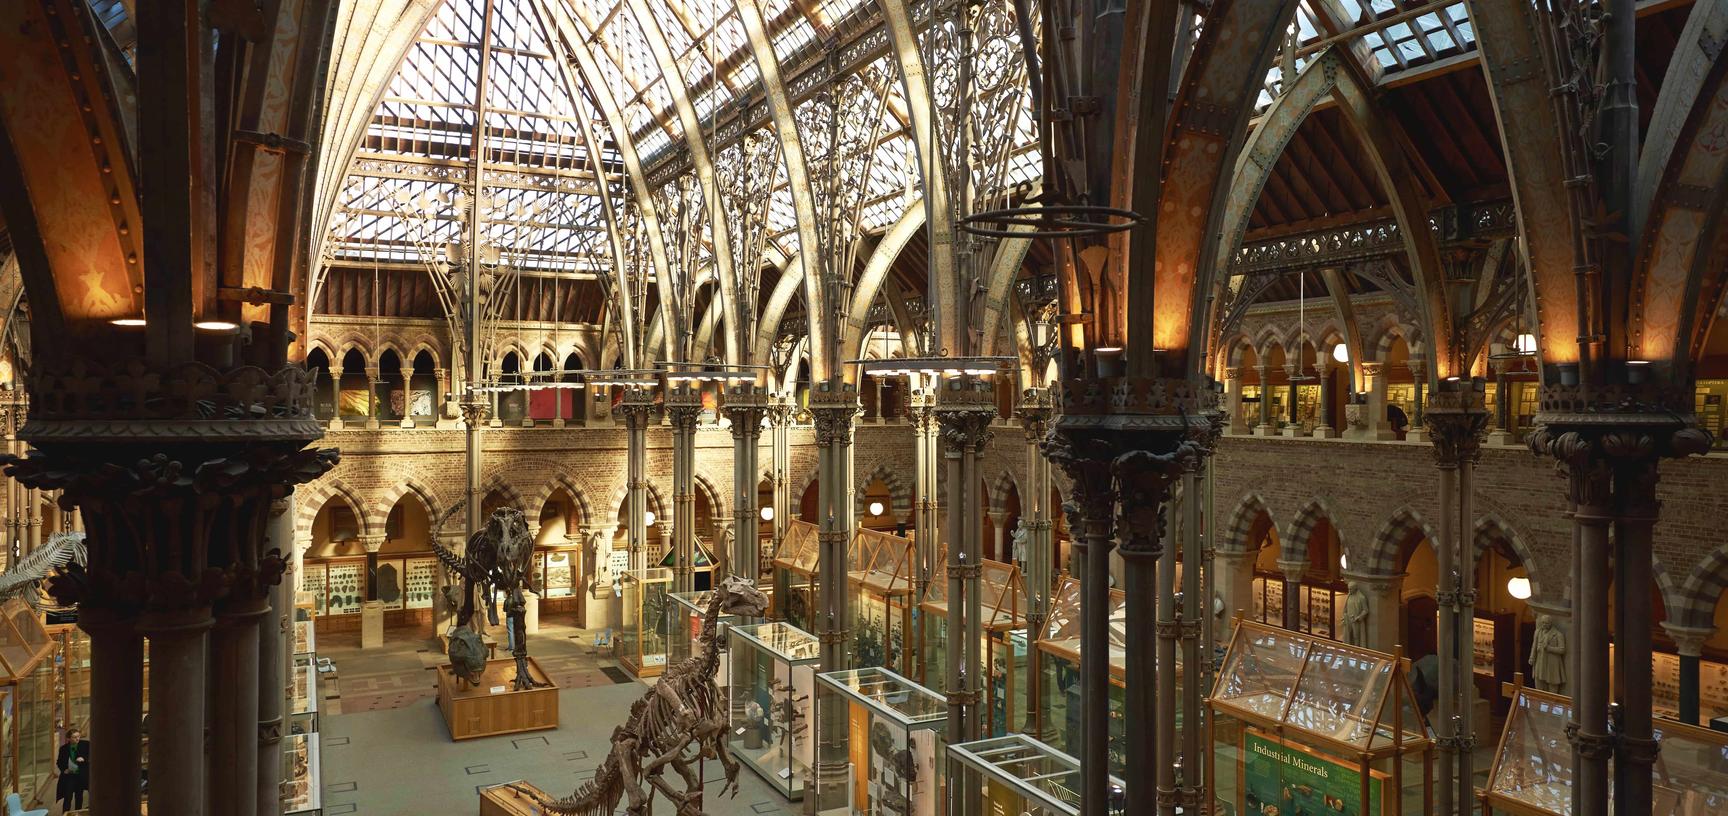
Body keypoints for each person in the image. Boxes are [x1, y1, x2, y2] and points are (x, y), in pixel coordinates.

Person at [55, 728, 89, 812]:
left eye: (78, 736)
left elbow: (93, 755)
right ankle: (65, 813)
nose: (77, 739)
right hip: (70, 776)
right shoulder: (63, 749)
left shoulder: (86, 744)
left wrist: (84, 758)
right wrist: (64, 770)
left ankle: (78, 813)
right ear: (68, 739)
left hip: (81, 775)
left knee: (79, 796)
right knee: (67, 796)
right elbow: (59, 762)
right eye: (74, 737)